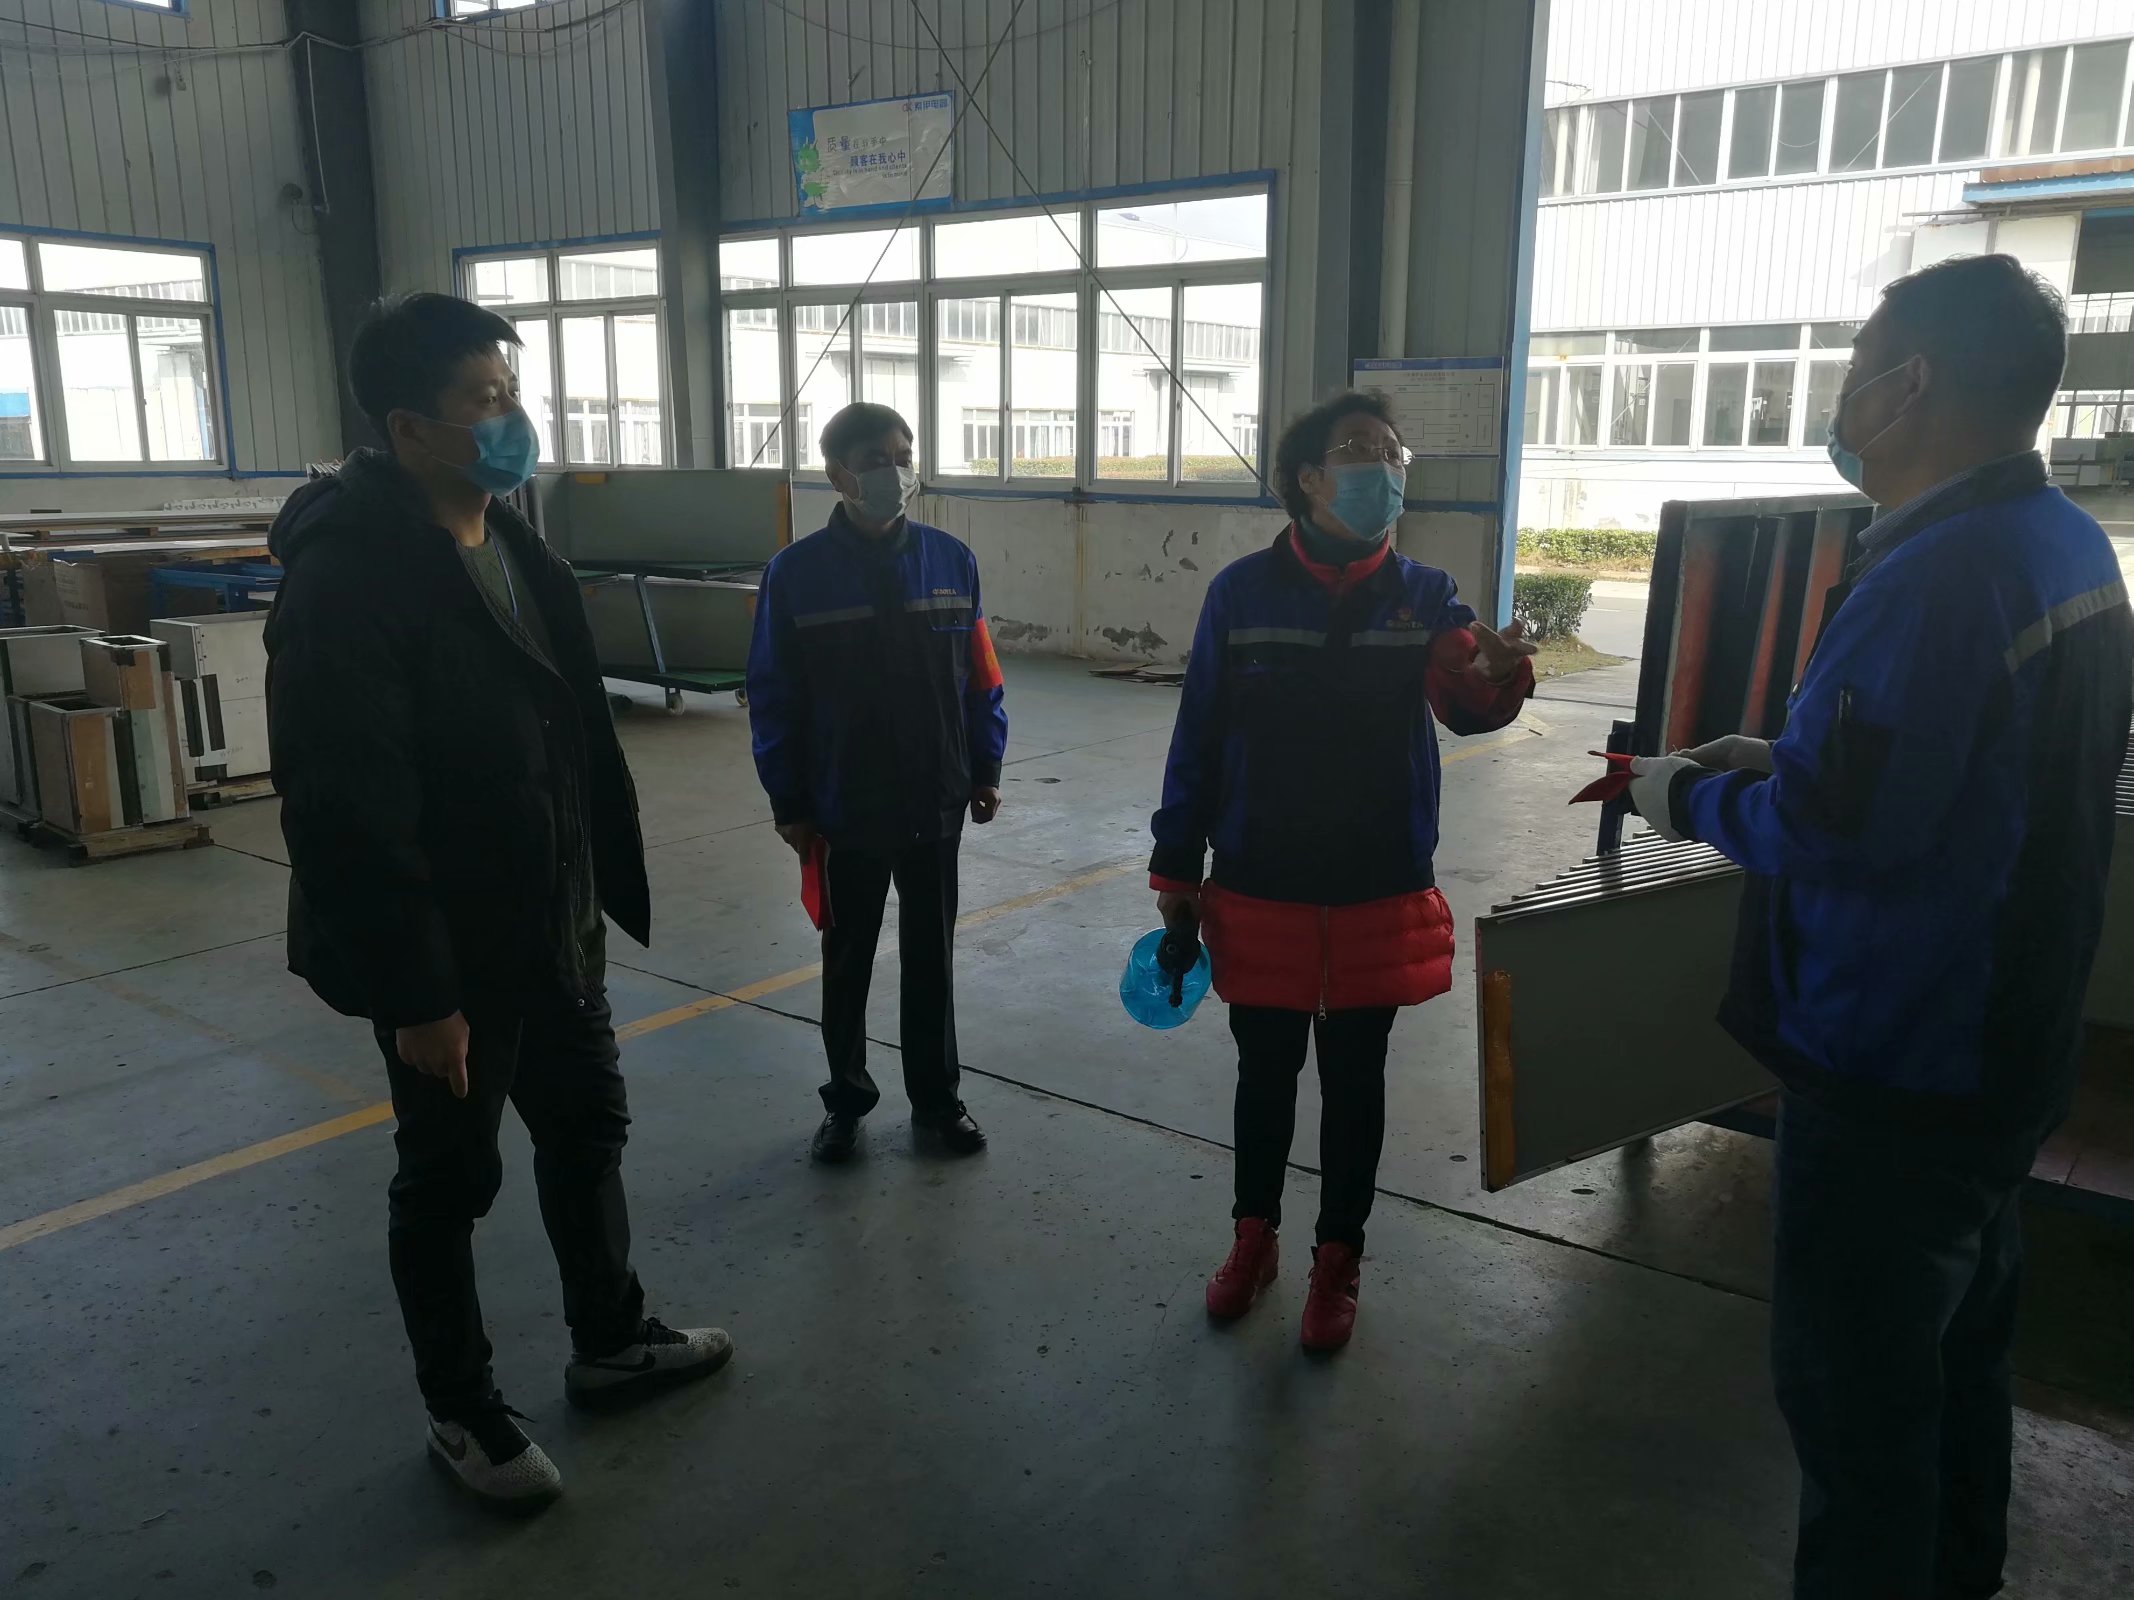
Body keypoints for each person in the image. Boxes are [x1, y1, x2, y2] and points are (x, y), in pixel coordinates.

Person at [1627, 255, 2133, 1599]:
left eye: (1855, 367)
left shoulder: (1935, 576)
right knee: (1957, 1363)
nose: (1841, 396)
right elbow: (1952, 775)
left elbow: (1834, 833)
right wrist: (1782, 751)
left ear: (1907, 385)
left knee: (1855, 1408)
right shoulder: (2064, 543)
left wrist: (1682, 792)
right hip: (2008, 1041)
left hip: (1895, 1059)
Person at [265, 293, 731, 1510]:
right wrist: (420, 996)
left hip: (552, 925)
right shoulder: (348, 579)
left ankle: (610, 1337)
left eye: (511, 391)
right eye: (483, 399)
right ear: (408, 428)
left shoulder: (513, 542)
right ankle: (461, 1410)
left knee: (586, 1132)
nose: (510, 417)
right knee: (447, 1180)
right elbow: (345, 811)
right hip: (451, 954)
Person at [1150, 391, 1535, 1352]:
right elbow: (1199, 731)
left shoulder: (1427, 594)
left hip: (1376, 878)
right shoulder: (1241, 593)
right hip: (1262, 875)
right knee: (1264, 1073)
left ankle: (1338, 1257)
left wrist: (1498, 676)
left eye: (1393, 452)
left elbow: (1467, 704)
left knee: (1358, 1081)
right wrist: (1176, 863)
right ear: (1308, 479)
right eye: (1361, 449)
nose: (1384, 466)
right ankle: (1254, 1238)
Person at [746, 401, 1008, 1166]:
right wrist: (790, 802)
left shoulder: (951, 560)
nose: (893, 472)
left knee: (931, 959)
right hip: (843, 803)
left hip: (936, 794)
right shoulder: (796, 575)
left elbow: (981, 678)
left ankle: (938, 1102)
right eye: (873, 461)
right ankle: (846, 1103)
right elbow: (773, 694)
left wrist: (985, 766)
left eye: (902, 456)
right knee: (847, 958)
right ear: (838, 475)